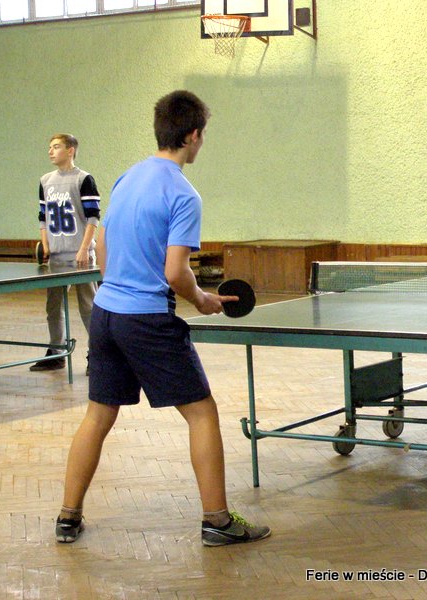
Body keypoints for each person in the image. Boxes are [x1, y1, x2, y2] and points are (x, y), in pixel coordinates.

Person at [55, 90, 271, 547]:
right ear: (192, 135)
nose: (202, 142)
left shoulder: (128, 177)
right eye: (203, 135)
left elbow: (102, 247)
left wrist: (120, 286)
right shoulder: (184, 194)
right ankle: (217, 521)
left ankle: (68, 517)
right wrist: (201, 299)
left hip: (106, 314)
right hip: (147, 320)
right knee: (202, 413)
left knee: (98, 415)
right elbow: (175, 272)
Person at [31, 134, 100, 373]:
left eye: (56, 147)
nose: (50, 151)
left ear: (70, 150)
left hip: (80, 255)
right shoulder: (45, 181)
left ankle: (97, 355)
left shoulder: (84, 179)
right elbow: (43, 217)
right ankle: (56, 352)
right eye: (49, 147)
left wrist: (84, 249)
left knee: (88, 306)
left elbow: (93, 217)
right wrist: (45, 245)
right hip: (57, 257)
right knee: (53, 306)